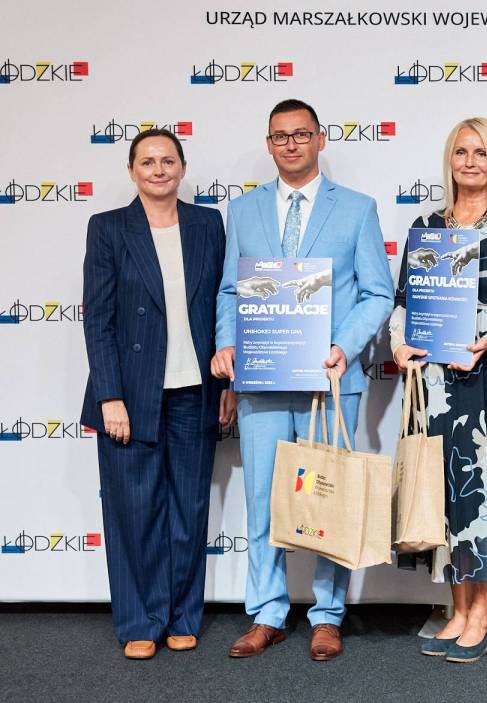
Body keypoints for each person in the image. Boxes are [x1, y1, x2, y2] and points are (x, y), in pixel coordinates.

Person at [212, 99, 393, 661]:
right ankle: (267, 613)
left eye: (300, 134)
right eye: (280, 136)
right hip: (263, 380)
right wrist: (227, 342)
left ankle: (327, 615)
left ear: (320, 139)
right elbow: (229, 291)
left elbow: (378, 293)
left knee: (328, 500)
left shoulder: (357, 209)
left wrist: (342, 346)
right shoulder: (243, 210)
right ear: (268, 144)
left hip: (330, 381)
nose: (290, 144)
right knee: (263, 499)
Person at [390, 117, 487, 663]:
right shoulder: (427, 227)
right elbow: (405, 300)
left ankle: (482, 614)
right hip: (437, 381)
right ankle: (456, 609)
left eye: (480, 152)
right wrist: (398, 342)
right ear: (450, 160)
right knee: (450, 493)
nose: (470, 161)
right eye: (461, 152)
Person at [81, 128, 235, 659]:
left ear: (182, 168)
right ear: (131, 171)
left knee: (189, 510)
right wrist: (110, 396)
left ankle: (182, 616)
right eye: (147, 161)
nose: (158, 169)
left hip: (196, 389)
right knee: (135, 511)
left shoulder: (207, 224)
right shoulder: (107, 228)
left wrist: (227, 383)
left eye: (168, 160)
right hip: (130, 395)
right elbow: (98, 319)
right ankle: (140, 622)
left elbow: (221, 305)